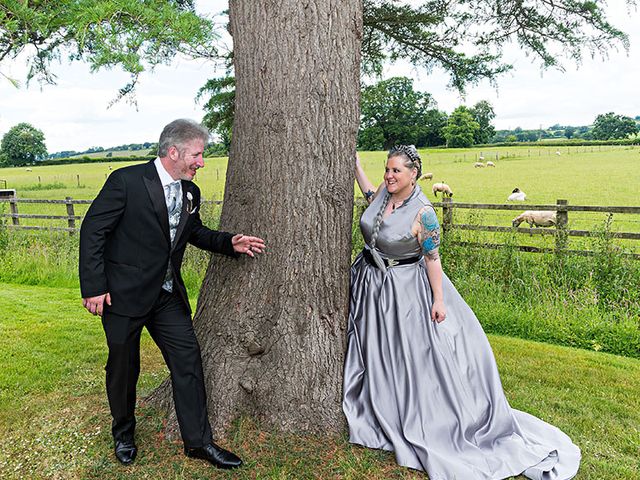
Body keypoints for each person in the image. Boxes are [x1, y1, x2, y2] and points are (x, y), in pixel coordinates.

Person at [342, 146, 581, 479]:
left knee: (407, 355)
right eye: (387, 169)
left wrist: (438, 300)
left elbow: (432, 259)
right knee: (374, 350)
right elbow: (372, 201)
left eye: (397, 171)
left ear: (414, 173)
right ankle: (373, 399)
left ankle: (412, 414)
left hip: (403, 291)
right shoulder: (385, 192)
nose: (389, 175)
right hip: (369, 283)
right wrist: (355, 166)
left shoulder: (424, 213)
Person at [79, 119, 265, 469]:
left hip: (166, 297)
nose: (201, 161)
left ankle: (198, 442)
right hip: (122, 297)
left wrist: (229, 242)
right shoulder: (126, 181)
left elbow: (192, 232)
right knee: (123, 368)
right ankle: (123, 434)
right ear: (174, 151)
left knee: (188, 362)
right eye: (197, 154)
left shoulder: (190, 192)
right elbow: (93, 232)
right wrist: (94, 287)